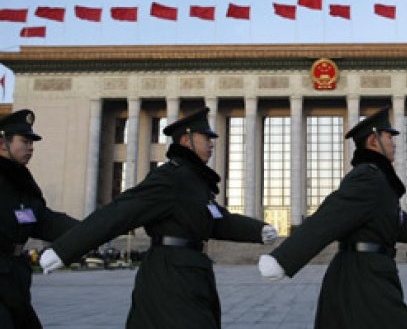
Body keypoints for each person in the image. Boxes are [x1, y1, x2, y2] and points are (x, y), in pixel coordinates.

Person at [39, 108, 278, 329]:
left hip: (189, 271)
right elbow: (121, 212)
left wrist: (258, 230)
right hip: (171, 274)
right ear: (186, 140)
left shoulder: (194, 181)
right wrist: (65, 249)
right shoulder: (170, 178)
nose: (211, 143)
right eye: (205, 137)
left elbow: (217, 219)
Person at [258, 107, 407, 329]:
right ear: (373, 140)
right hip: (361, 277)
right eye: (389, 136)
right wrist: (283, 259)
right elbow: (329, 216)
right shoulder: (368, 177)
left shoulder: (378, 179)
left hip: (370, 273)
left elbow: (398, 222)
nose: (394, 143)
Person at [0, 109, 80, 329]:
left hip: (13, 279)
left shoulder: (21, 181)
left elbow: (42, 220)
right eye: (24, 141)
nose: (31, 147)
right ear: (2, 142)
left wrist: (93, 229)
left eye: (31, 142)